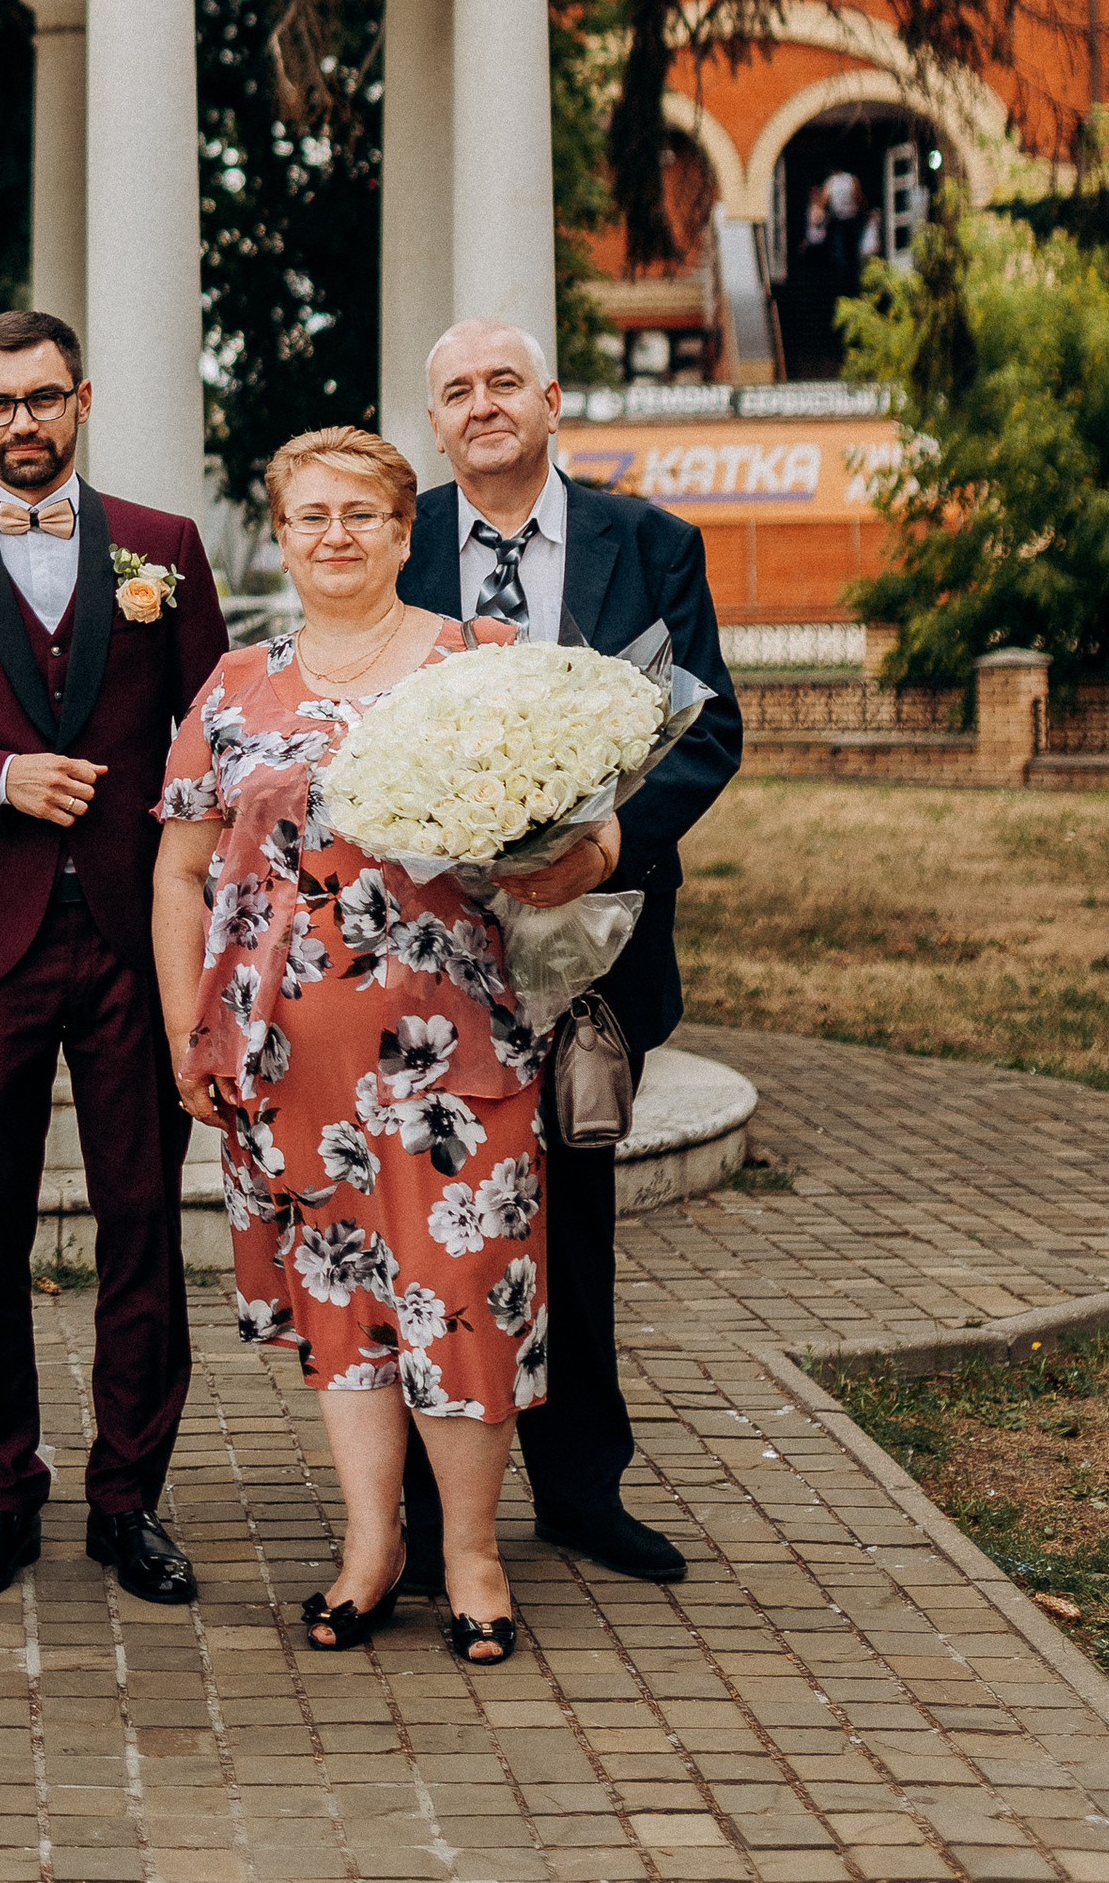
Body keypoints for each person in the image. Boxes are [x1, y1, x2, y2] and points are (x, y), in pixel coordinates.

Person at [154, 426, 544, 1668]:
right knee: (343, 1306)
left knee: (463, 1296)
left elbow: (549, 848)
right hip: (287, 1062)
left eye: (361, 514)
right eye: (310, 514)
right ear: (281, 533)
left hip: (453, 1052)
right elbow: (176, 869)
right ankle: (370, 1550)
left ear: (402, 528)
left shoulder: (476, 662)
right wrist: (187, 1025)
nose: (335, 534)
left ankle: (472, 1556)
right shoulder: (230, 685)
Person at [0, 308, 228, 1609]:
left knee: (140, 1222)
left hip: (138, 934)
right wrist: (0, 773)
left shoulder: (165, 549)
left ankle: (131, 1498)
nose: (23, 420)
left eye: (44, 397)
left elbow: (213, 726)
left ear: (82, 398)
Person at [398, 318, 742, 1585]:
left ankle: (583, 1489)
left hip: (593, 943)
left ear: (548, 402)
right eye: (456, 391)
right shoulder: (403, 539)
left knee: (574, 1217)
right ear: (433, 422)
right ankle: (435, 1504)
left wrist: (605, 845)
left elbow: (707, 728)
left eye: (504, 383)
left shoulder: (649, 543)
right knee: (438, 1224)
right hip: (426, 945)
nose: (481, 405)